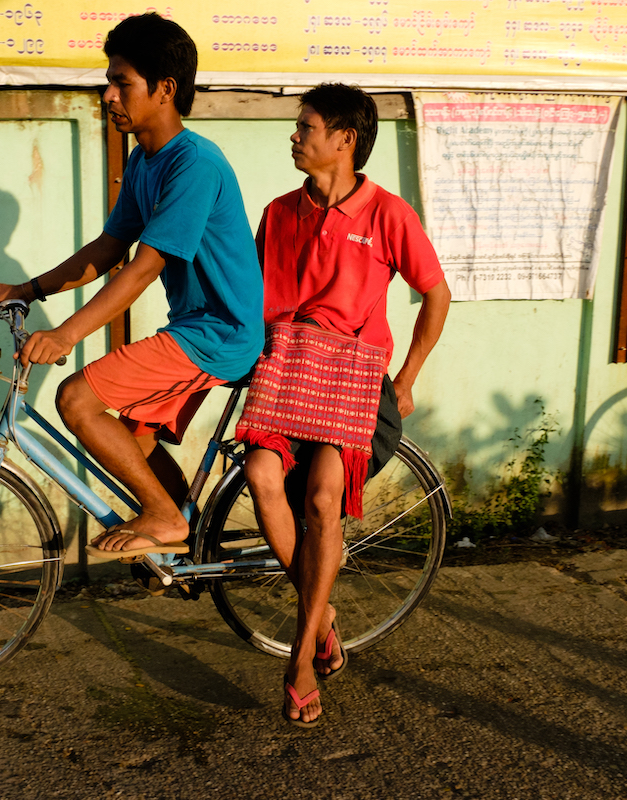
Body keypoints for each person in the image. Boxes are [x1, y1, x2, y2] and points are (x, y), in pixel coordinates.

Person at [0, 13, 263, 558]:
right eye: (108, 81)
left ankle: (164, 518)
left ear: (165, 90)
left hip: (219, 333)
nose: (108, 95)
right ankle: (184, 544)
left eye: (121, 83)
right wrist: (28, 289)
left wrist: (65, 335)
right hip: (194, 327)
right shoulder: (144, 161)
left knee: (76, 398)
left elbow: (144, 266)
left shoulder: (194, 164)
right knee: (134, 443)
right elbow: (111, 248)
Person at [236, 84, 451, 727]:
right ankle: (322, 612)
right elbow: (251, 297)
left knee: (324, 499)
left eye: (305, 126)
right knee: (260, 474)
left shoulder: (388, 213)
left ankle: (302, 658)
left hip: (353, 374)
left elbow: (436, 294)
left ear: (344, 140)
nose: (294, 136)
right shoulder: (279, 213)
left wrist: (407, 377)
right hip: (285, 363)